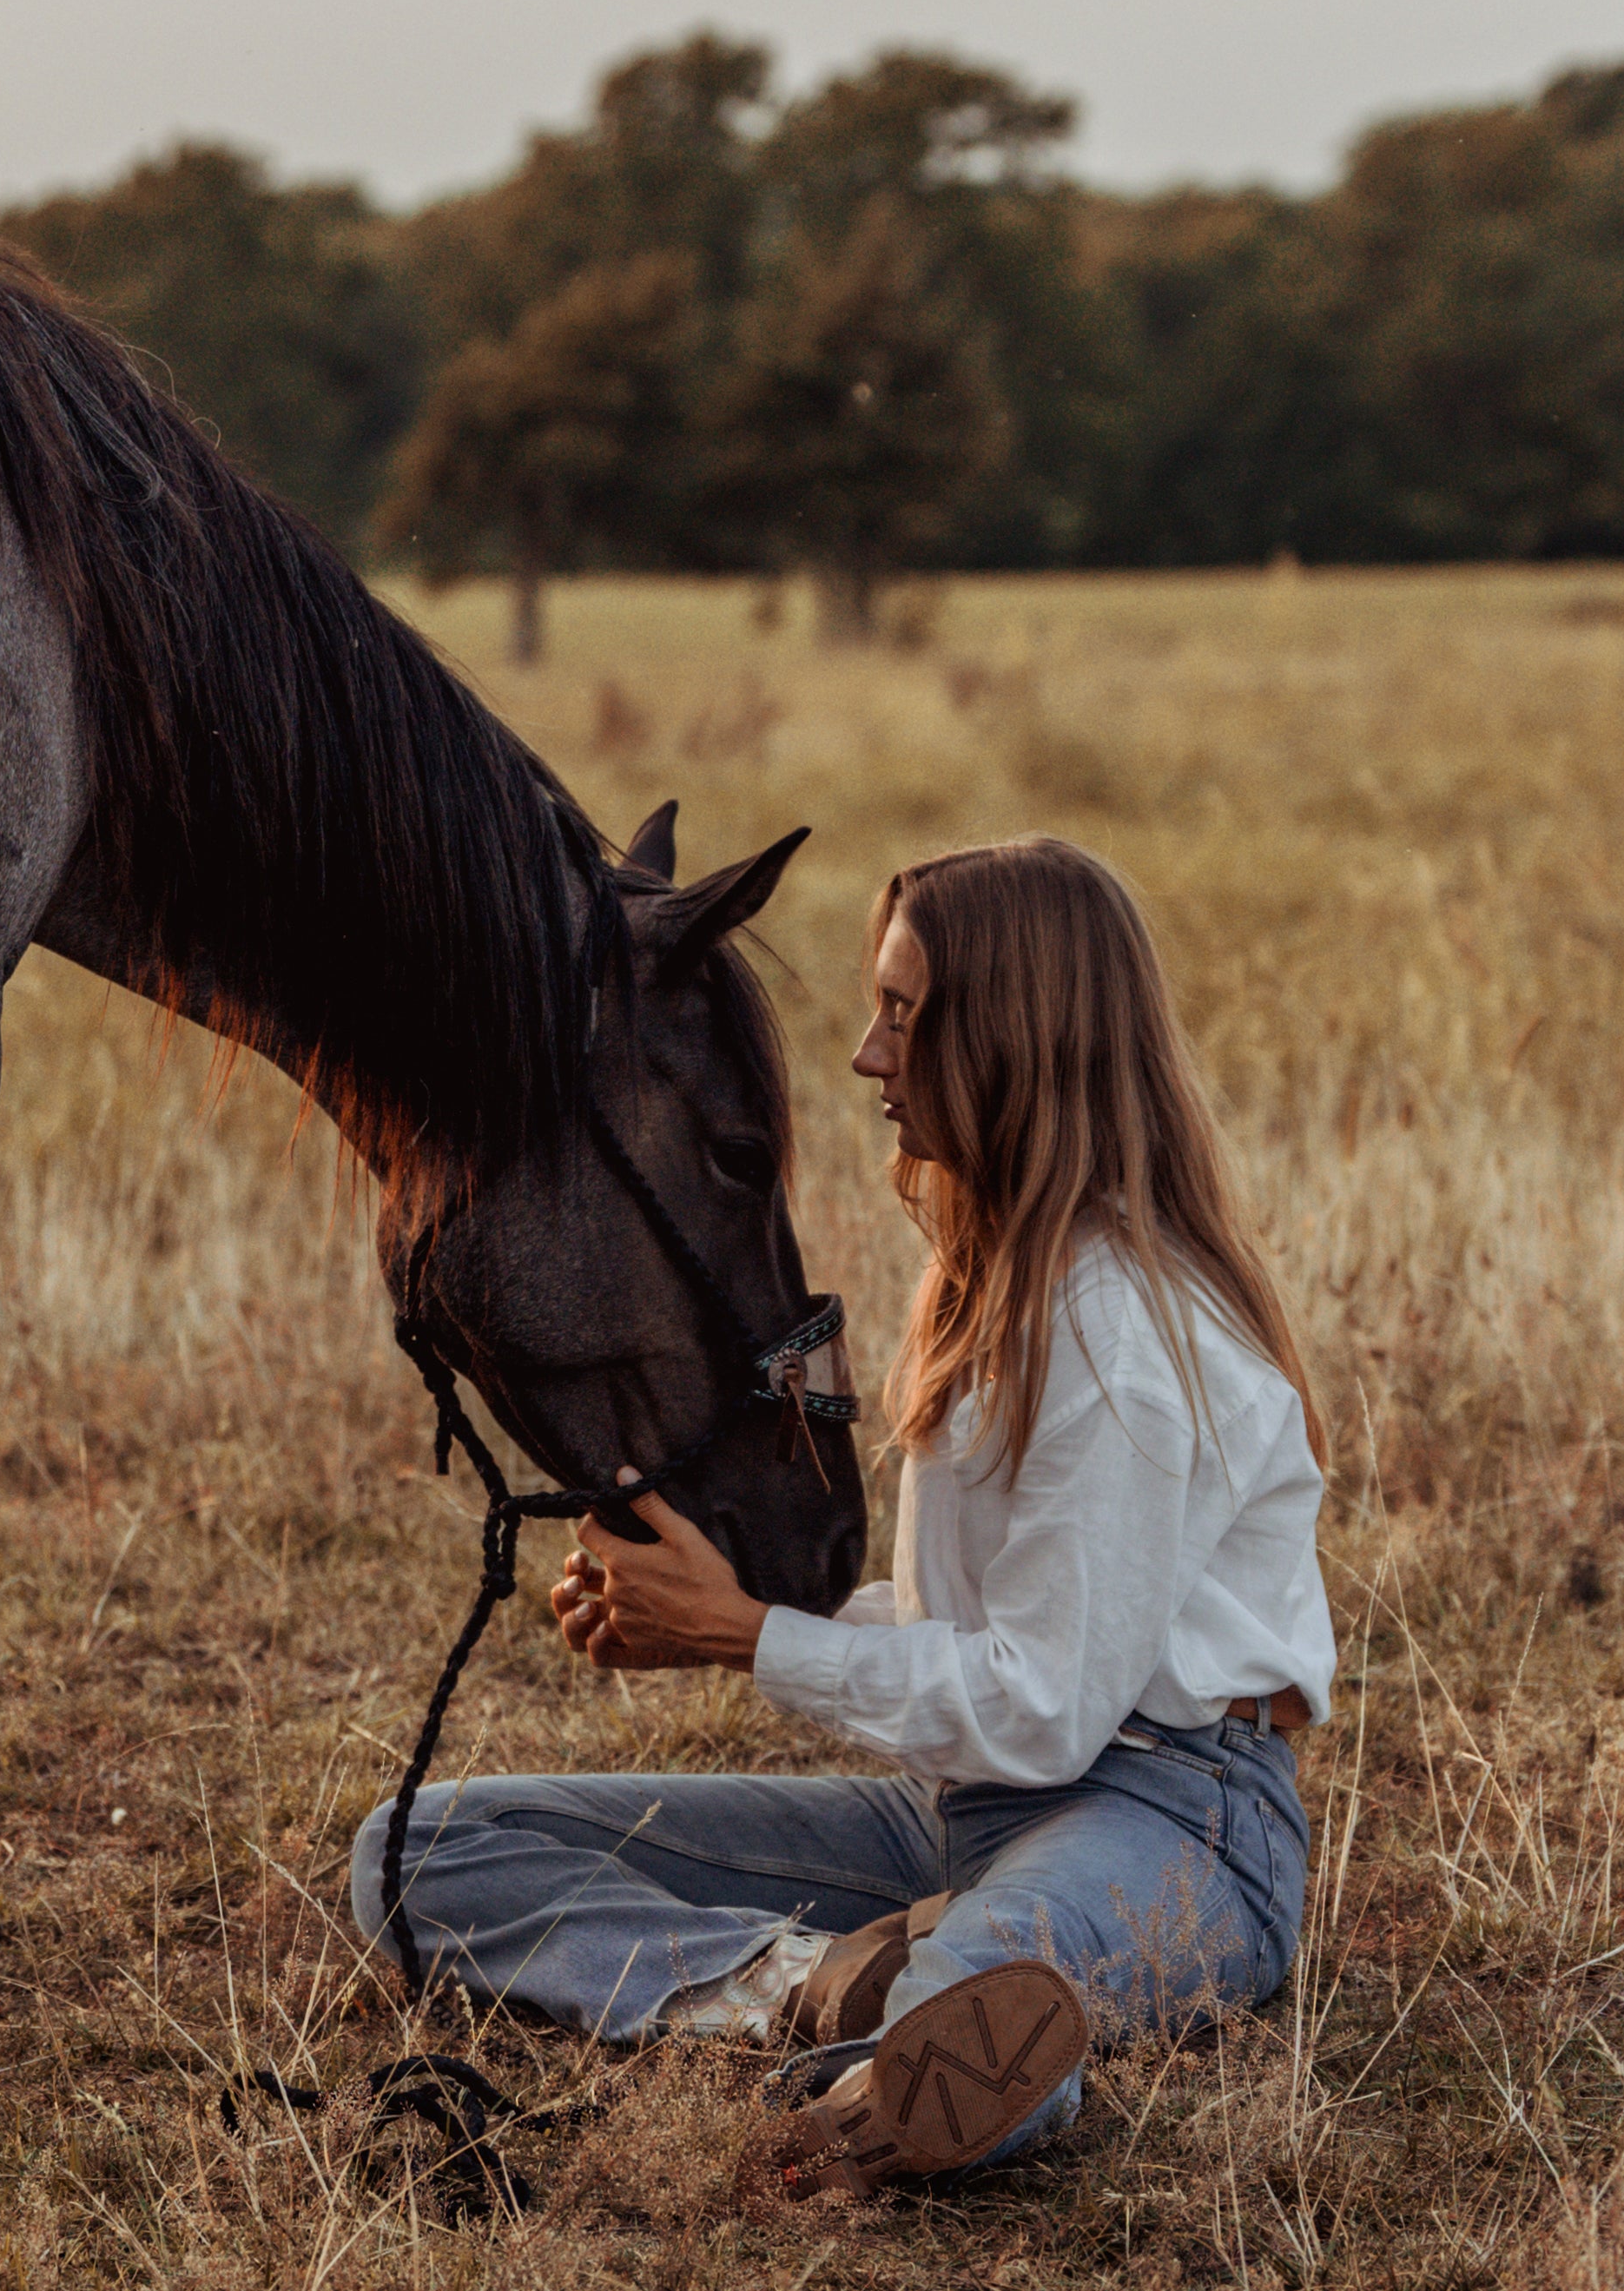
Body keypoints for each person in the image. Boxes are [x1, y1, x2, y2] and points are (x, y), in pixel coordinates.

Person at [351, 836, 1331, 2185]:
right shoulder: (992, 1286)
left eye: (904, 1015)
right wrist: (702, 1613)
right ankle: (802, 1992)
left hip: (1175, 1821)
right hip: (966, 1812)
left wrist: (748, 1635)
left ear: (1011, 1038)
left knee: (986, 1989)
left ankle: (920, 2032)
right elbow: (975, 1636)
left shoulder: (1125, 1342)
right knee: (422, 1848)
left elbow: (1045, 1704)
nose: (868, 1054)